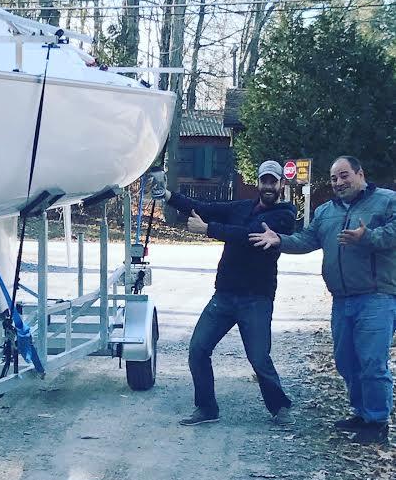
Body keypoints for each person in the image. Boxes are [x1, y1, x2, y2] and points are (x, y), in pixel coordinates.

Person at [250, 156, 396, 445]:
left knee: (372, 362)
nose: (339, 183)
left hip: (376, 297)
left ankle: (377, 421)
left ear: (360, 173)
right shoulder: (326, 211)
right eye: (333, 178)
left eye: (344, 176)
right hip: (342, 300)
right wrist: (279, 240)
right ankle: (360, 413)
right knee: (346, 361)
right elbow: (306, 240)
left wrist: (368, 237)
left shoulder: (386, 201)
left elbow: (392, 235)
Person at [150, 160, 297, 426]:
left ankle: (280, 407)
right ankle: (206, 408)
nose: (268, 186)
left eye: (273, 182)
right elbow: (205, 208)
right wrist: (167, 195)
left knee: (259, 358)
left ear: (281, 185)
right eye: (264, 180)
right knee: (198, 349)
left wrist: (208, 229)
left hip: (256, 298)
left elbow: (249, 236)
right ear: (258, 182)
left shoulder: (284, 215)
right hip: (225, 295)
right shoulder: (242, 207)